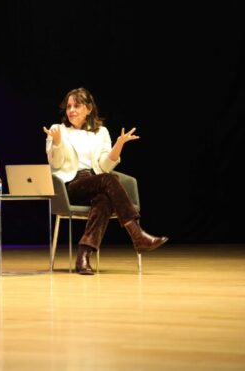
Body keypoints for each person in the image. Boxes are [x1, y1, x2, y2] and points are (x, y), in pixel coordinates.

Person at [43, 87, 168, 275]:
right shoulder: (57, 130)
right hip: (71, 185)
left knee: (104, 200)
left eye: (77, 106)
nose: (71, 110)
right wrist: (58, 142)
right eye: (68, 106)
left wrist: (119, 145)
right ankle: (136, 233)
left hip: (96, 181)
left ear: (88, 109)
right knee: (109, 180)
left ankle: (83, 257)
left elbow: (105, 165)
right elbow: (55, 163)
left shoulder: (101, 132)